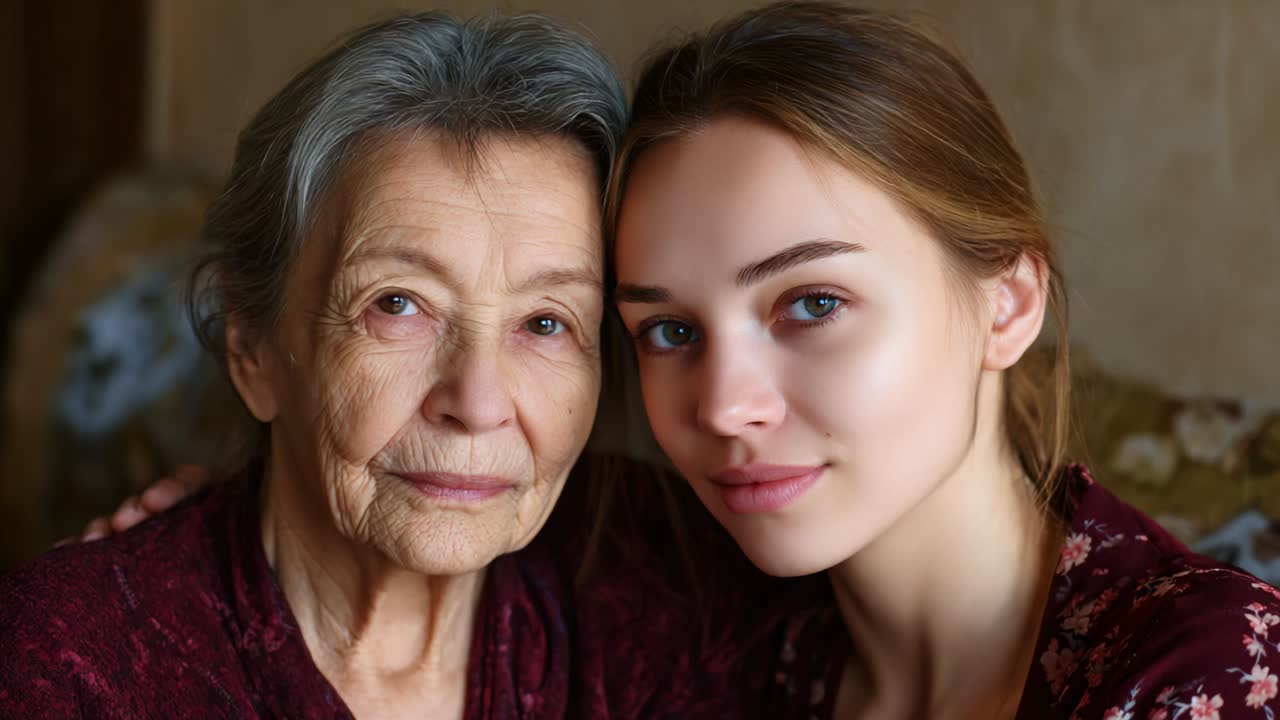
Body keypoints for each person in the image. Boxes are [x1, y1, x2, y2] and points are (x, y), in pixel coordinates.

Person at [64, 3, 1280, 719]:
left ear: (1007, 299)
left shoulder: (1203, 677)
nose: (725, 408)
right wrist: (178, 570)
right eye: (664, 330)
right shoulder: (705, 616)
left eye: (810, 301)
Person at [0, 11, 769, 718]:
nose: (477, 401)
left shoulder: (672, 584)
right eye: (396, 305)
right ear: (252, 347)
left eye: (544, 322)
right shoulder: (68, 667)